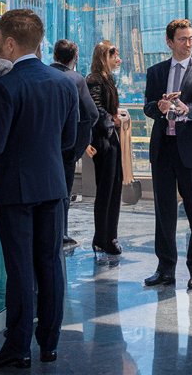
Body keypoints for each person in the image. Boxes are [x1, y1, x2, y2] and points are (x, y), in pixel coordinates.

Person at [0, 9, 78, 369]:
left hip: (15, 189)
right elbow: (69, 140)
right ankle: (51, 344)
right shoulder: (65, 82)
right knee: (50, 264)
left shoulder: (5, 86)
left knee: (21, 270)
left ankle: (18, 347)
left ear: (9, 43)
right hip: (53, 185)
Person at [142, 19, 192, 290]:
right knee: (164, 212)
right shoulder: (155, 72)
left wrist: (188, 110)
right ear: (169, 42)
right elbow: (148, 108)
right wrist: (160, 106)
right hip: (164, 149)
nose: (189, 43)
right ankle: (165, 269)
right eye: (183, 39)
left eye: (190, 38)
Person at [50, 38, 99, 247]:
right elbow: (91, 113)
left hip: (44, 144)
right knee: (63, 190)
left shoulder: (44, 75)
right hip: (67, 147)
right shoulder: (76, 79)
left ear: (54, 55)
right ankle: (61, 232)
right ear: (75, 57)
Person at [86, 41, 126, 259]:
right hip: (104, 140)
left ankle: (109, 236)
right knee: (107, 190)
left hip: (111, 138)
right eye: (114, 55)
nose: (117, 59)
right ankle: (103, 238)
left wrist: (113, 120)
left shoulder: (106, 78)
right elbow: (96, 110)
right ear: (104, 56)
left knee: (114, 189)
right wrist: (112, 122)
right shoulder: (94, 79)